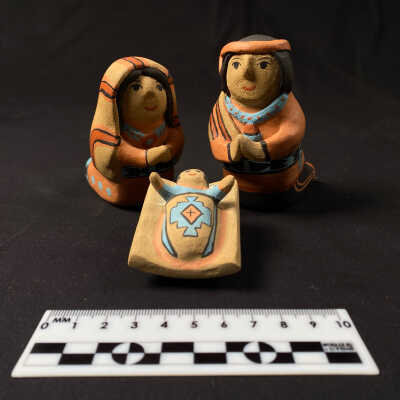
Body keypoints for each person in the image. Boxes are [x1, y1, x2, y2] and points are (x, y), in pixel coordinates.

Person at [209, 34, 315, 207]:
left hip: (278, 184)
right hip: (235, 183)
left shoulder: (285, 104)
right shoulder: (222, 106)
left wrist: (260, 149)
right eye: (236, 64)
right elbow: (216, 139)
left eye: (263, 65)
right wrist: (232, 149)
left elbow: (292, 133)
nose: (247, 74)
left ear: (283, 71)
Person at [86, 56, 184, 206]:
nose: (150, 94)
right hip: (128, 187)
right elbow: (119, 151)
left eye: (159, 87)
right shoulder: (118, 135)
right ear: (117, 99)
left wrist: (170, 148)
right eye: (136, 88)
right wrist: (145, 157)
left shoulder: (166, 128)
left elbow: (176, 137)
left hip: (163, 182)